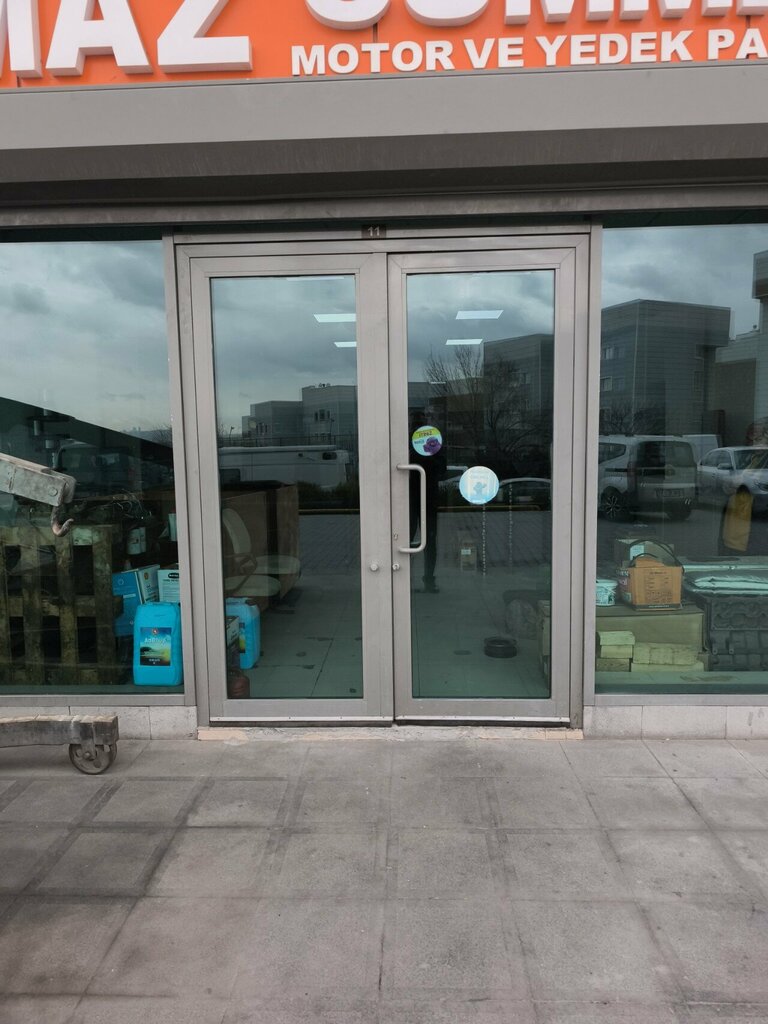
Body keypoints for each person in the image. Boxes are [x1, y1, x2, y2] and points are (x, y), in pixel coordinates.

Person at [408, 412, 446, 593]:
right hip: (412, 497)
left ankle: (428, 580)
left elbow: (441, 468)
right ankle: (413, 581)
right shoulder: (405, 442)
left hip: (424, 497)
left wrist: (428, 455)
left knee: (428, 541)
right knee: (409, 541)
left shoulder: (433, 444)